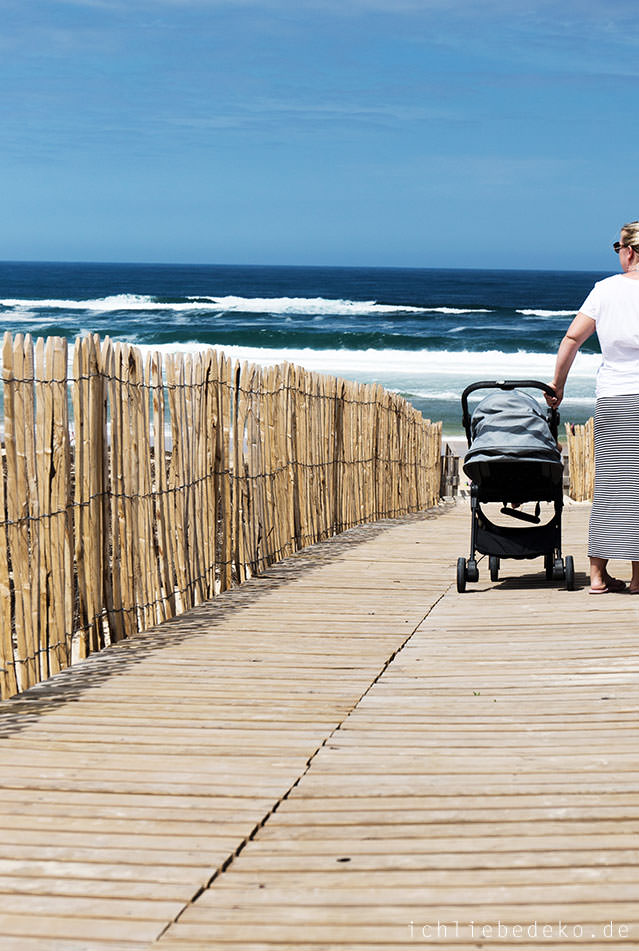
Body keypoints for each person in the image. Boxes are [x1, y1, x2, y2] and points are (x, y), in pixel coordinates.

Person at [546, 220, 639, 594]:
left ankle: (597, 575)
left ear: (629, 250)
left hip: (615, 397)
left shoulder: (604, 290)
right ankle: (638, 579)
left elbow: (572, 338)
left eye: (617, 247)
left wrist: (558, 385)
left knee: (613, 486)